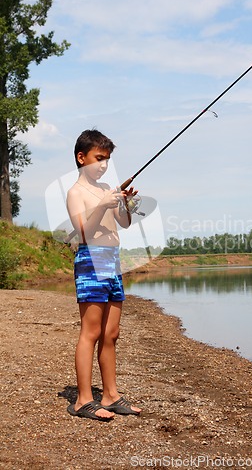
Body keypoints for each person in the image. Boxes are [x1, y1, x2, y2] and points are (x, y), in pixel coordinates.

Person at [66, 129, 141, 421]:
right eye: (98, 158)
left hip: (112, 261)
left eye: (107, 160)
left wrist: (125, 204)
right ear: (81, 157)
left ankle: (110, 395)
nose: (103, 165)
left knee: (111, 333)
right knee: (92, 332)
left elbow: (123, 223)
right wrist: (102, 204)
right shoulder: (76, 192)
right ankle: (83, 400)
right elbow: (82, 230)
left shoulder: (106, 188)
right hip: (90, 260)